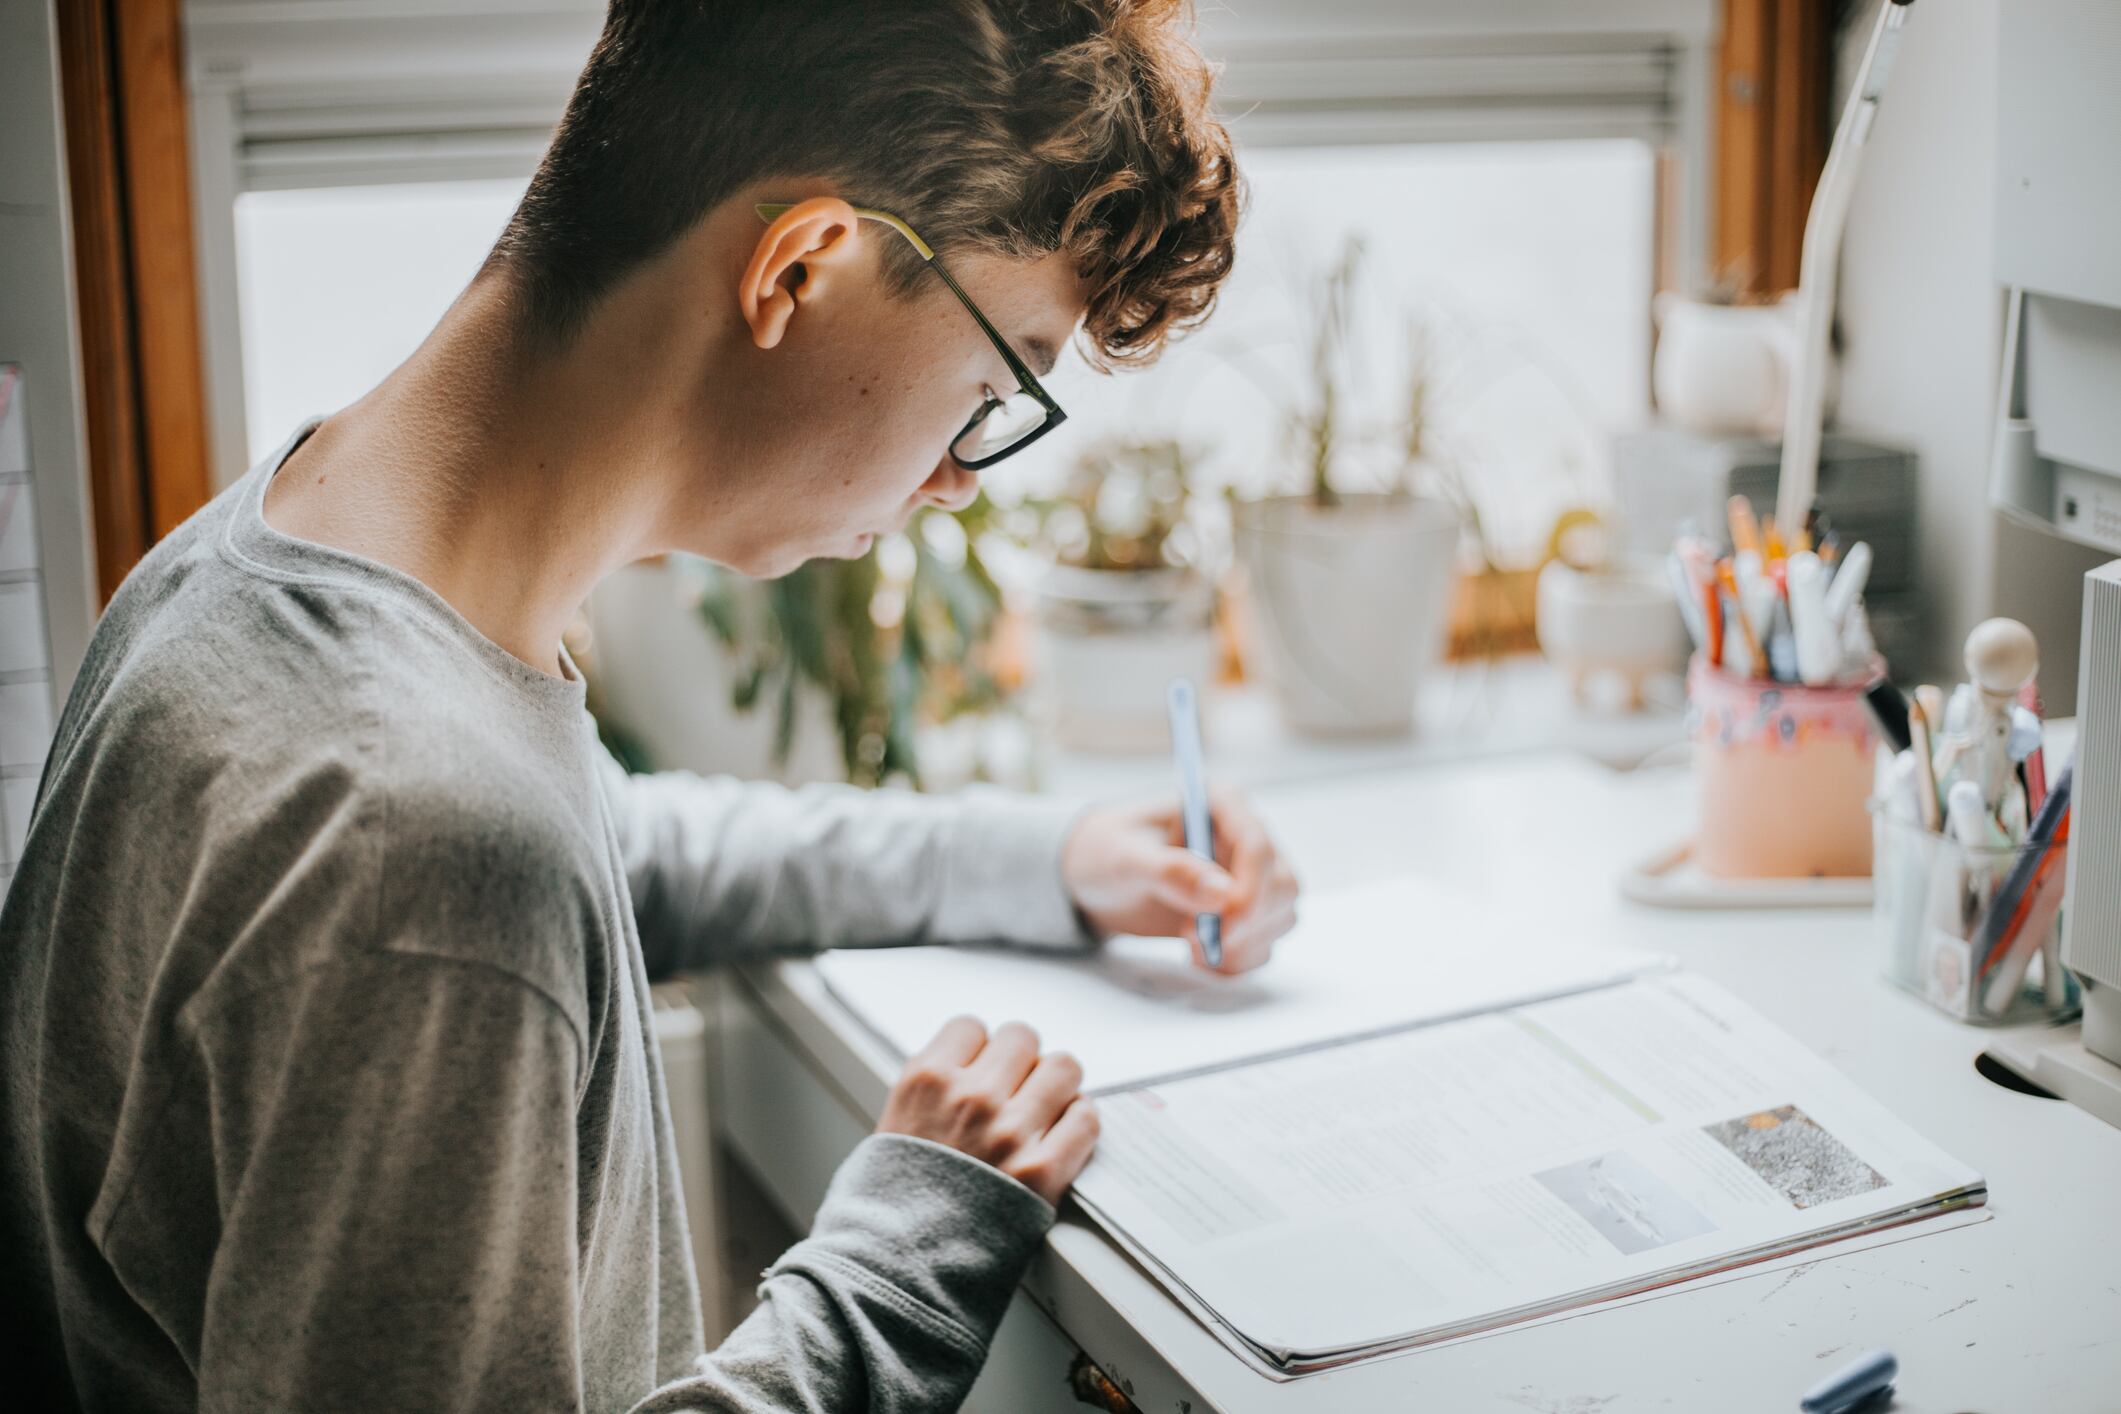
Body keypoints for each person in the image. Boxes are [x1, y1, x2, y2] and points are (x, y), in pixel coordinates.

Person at [1, 1, 1300, 1410]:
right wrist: (903, 1251)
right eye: (993, 386)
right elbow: (477, 867)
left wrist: (1049, 861)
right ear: (800, 268)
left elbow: (618, 849)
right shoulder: (418, 840)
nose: (953, 481)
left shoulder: (279, 554)